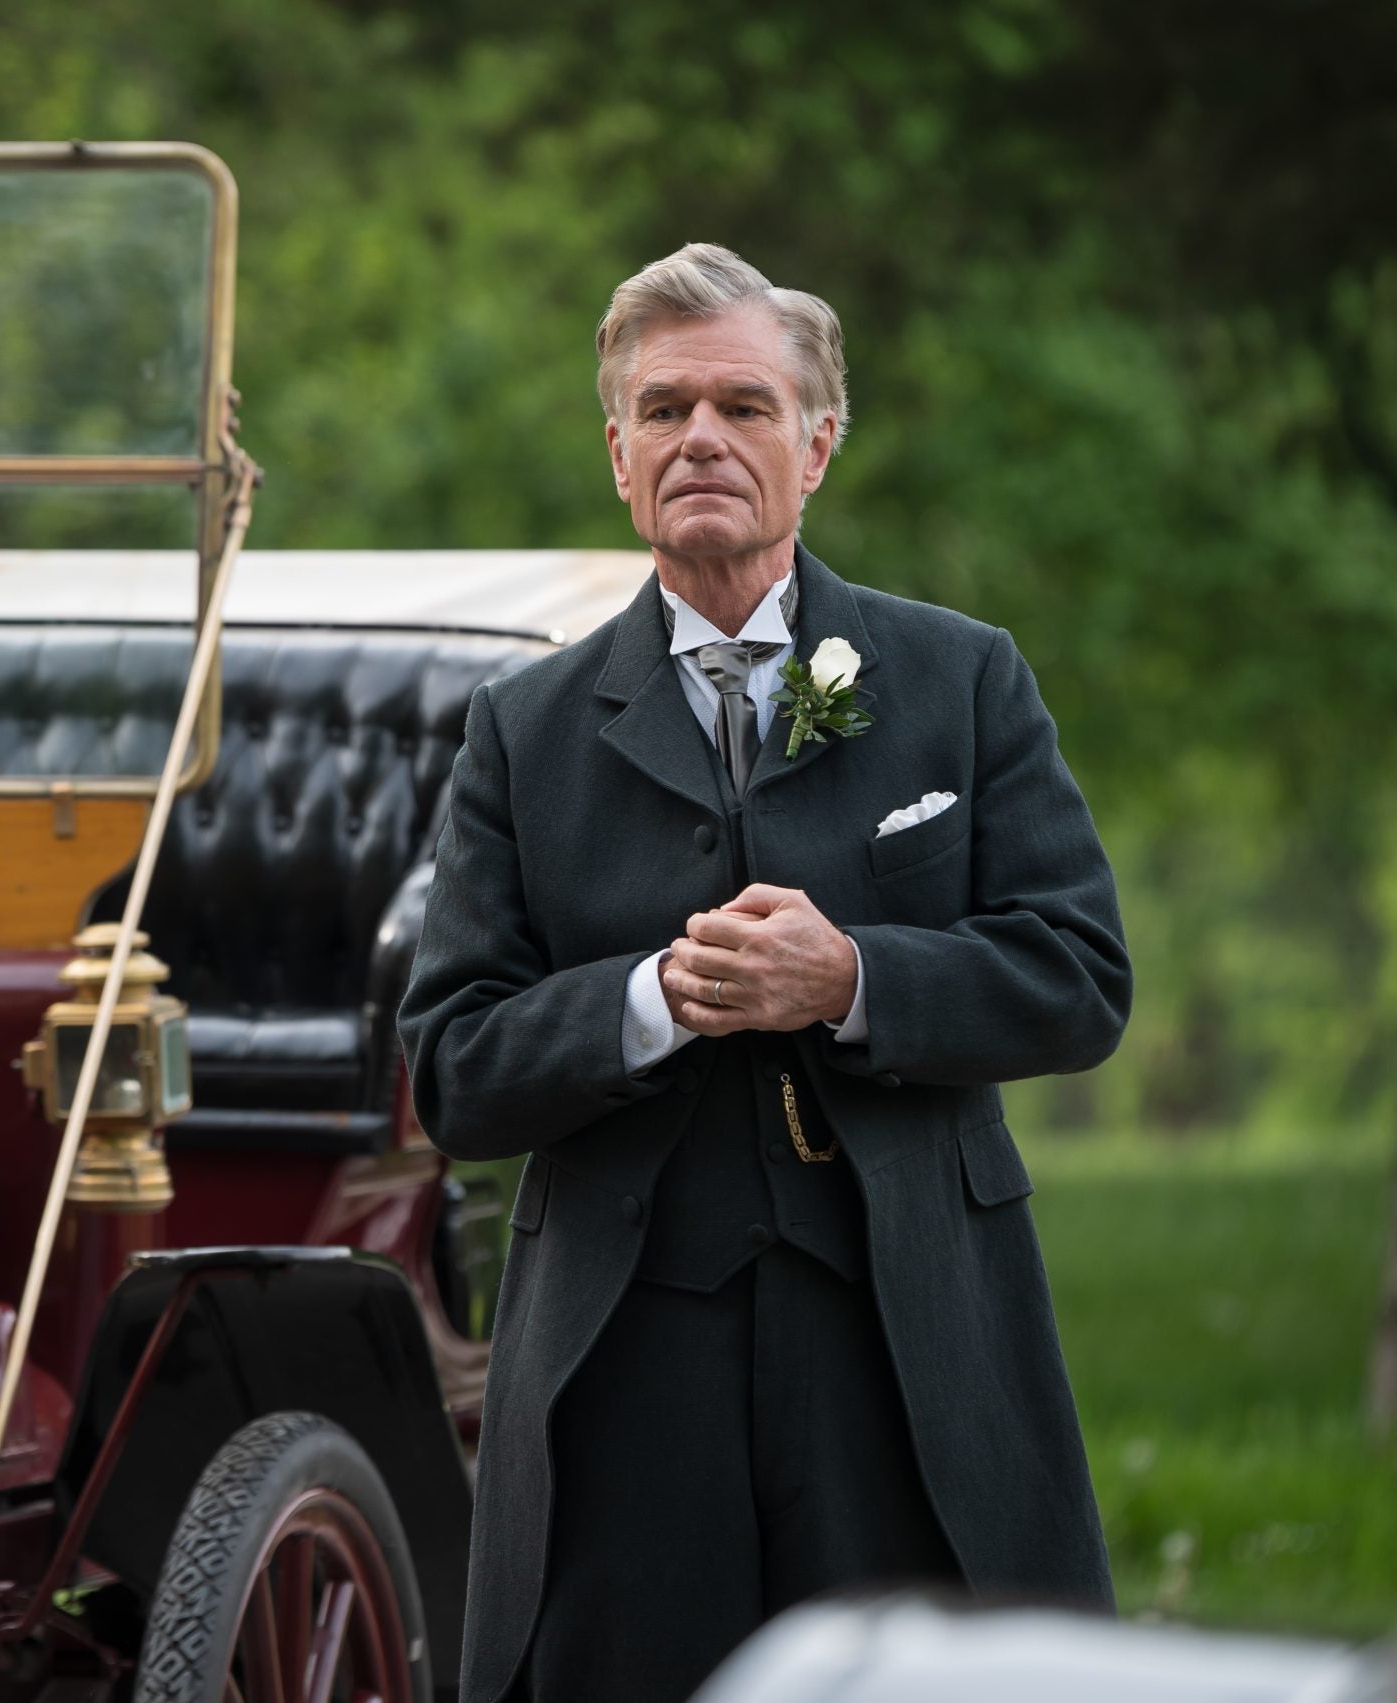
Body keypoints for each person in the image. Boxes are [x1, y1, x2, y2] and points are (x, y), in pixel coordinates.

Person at [398, 242, 1130, 1703]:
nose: (702, 440)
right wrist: (650, 1001)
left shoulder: (961, 677)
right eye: (663, 410)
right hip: (627, 1357)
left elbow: (1076, 976)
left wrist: (851, 975)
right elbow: (454, 1071)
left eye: (744, 403)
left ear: (819, 441)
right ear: (618, 454)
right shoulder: (522, 729)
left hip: (906, 1328)